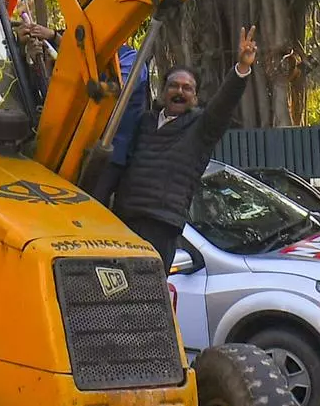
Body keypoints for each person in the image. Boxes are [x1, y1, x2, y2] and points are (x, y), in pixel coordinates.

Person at [109, 29, 258, 269]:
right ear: (163, 92)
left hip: (160, 226)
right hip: (124, 222)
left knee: (148, 293)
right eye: (173, 86)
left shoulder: (201, 128)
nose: (179, 92)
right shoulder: (145, 122)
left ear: (195, 98)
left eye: (187, 88)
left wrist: (241, 68)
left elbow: (224, 103)